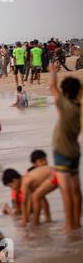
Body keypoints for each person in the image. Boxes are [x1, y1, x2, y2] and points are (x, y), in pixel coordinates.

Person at [49, 62, 81, 230]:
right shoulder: (79, 108)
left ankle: (69, 224)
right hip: (75, 151)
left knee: (66, 190)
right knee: (76, 189)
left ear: (66, 93)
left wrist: (53, 72)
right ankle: (76, 222)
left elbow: (52, 87)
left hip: (61, 150)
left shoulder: (65, 105)